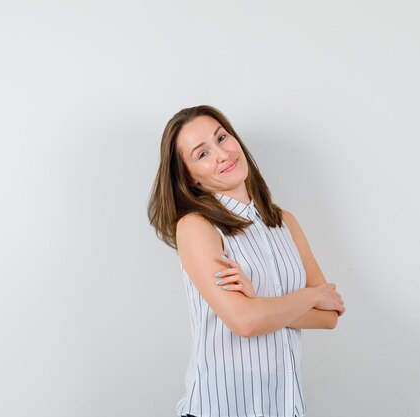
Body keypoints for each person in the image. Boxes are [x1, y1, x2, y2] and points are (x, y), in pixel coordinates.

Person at [147, 105, 346, 417]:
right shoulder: (197, 226)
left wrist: (260, 303)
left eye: (222, 138)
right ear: (191, 178)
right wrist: (310, 295)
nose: (222, 154)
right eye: (202, 154)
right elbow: (246, 322)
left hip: (286, 408)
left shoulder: (284, 222)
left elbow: (329, 314)